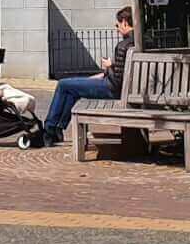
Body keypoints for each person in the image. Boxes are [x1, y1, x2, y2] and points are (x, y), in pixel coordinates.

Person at [42, 7, 134, 145]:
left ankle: (49, 129)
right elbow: (124, 72)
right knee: (72, 89)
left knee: (63, 84)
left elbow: (117, 82)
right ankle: (57, 129)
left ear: (125, 22)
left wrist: (109, 66)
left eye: (117, 25)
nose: (117, 29)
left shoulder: (124, 45)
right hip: (127, 90)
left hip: (113, 90)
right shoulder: (142, 42)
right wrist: (103, 74)